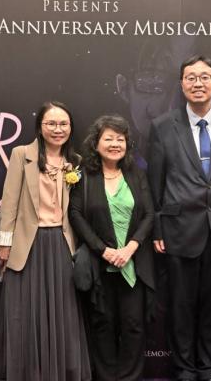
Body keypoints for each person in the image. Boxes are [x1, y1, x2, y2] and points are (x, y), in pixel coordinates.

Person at [147, 55, 211, 381]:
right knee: (180, 304)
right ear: (181, 84)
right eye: (191, 77)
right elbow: (154, 183)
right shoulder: (163, 125)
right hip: (178, 229)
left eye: (204, 77)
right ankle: (184, 367)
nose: (198, 83)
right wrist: (158, 228)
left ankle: (209, 365)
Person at [0, 101, 91, 381]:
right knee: (25, 314)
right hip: (28, 245)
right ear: (40, 127)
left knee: (61, 314)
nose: (58, 129)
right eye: (51, 124)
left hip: (61, 244)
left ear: (70, 127)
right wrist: (5, 243)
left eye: (63, 124)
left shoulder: (76, 162)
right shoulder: (22, 154)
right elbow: (9, 202)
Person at [69, 115, 155, 381]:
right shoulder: (85, 176)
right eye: (109, 138)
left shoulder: (136, 174)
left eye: (121, 139)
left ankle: (130, 377)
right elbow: (75, 214)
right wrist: (103, 250)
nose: (115, 144)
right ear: (96, 144)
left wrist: (130, 248)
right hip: (100, 263)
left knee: (134, 325)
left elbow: (149, 214)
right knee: (102, 325)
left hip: (133, 262)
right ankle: (106, 377)